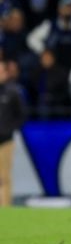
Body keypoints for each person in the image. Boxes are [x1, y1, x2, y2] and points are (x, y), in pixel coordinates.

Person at [0, 59, 27, 206]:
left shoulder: (12, 92)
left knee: (4, 177)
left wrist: (10, 128)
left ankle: (5, 208)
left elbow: (22, 115)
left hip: (5, 140)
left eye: (2, 71)